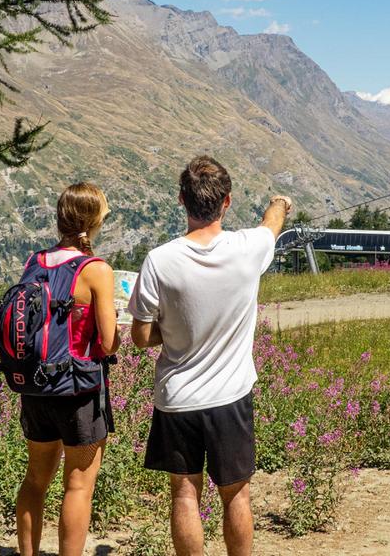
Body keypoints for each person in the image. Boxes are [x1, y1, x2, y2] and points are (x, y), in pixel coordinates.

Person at [129, 156, 291, 556]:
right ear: (227, 202)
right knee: (236, 495)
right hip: (231, 398)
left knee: (185, 494)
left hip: (177, 398)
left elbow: (140, 337)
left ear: (182, 200)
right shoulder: (247, 249)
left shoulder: (160, 260)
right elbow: (272, 225)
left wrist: (171, 329)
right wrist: (280, 201)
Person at [15, 182, 120, 556]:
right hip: (78, 391)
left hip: (35, 388)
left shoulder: (35, 262)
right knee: (78, 486)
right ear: (92, 222)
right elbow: (108, 343)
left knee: (35, 480)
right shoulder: (95, 270)